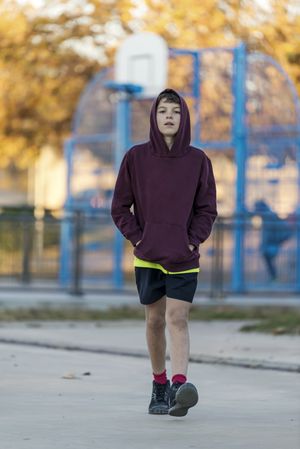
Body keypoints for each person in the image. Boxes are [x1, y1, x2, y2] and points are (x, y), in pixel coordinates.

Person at [111, 88, 217, 417]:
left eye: (175, 112)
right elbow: (119, 208)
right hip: (148, 256)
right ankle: (159, 384)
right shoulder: (136, 158)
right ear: (154, 118)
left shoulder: (199, 160)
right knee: (155, 321)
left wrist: (192, 241)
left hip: (184, 258)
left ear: (184, 118)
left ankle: (179, 386)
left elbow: (207, 209)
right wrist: (139, 240)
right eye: (162, 111)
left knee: (177, 318)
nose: (168, 117)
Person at [254, 200, 293, 280]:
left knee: (267, 256)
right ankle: (273, 276)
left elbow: (271, 232)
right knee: (267, 257)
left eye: (257, 209)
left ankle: (274, 276)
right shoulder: (267, 216)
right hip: (272, 242)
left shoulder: (270, 216)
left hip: (274, 242)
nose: (257, 211)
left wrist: (274, 241)